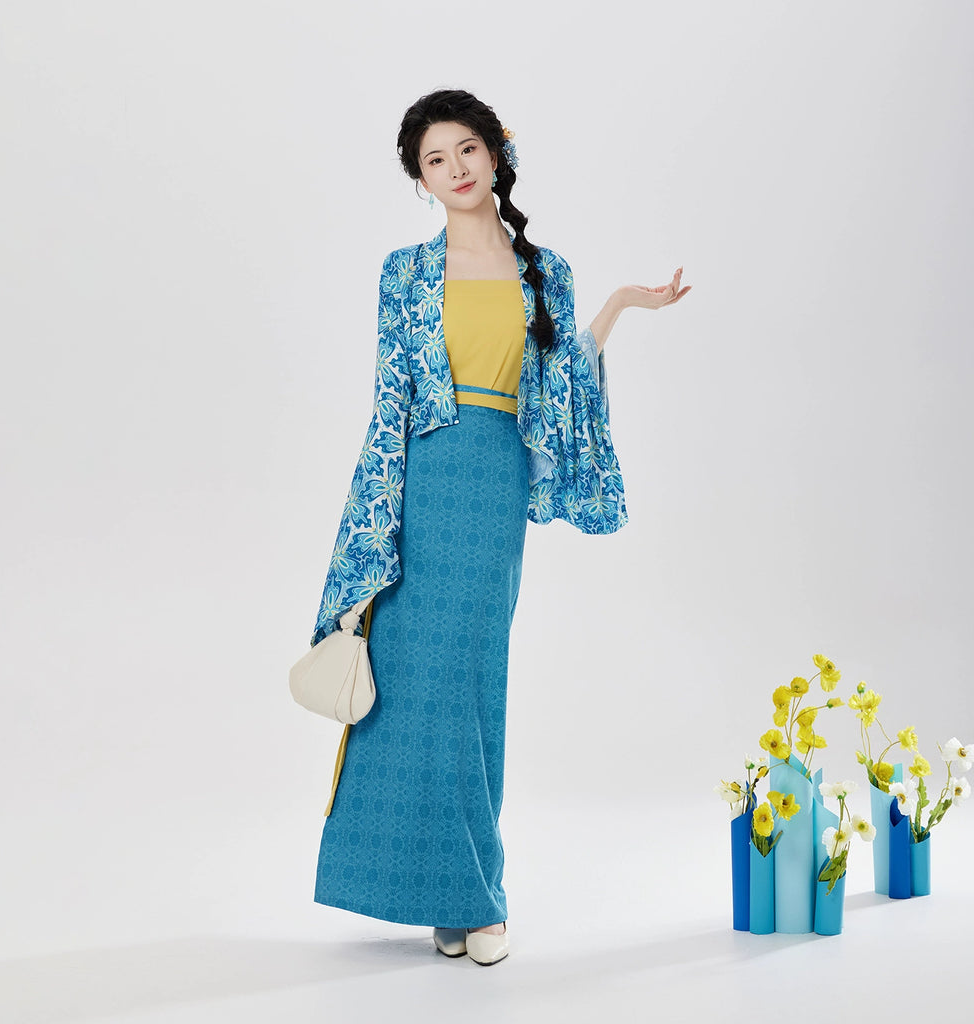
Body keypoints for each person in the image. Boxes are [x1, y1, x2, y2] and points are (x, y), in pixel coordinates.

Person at [308, 88, 690, 966]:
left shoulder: (543, 271)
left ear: (495, 152)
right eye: (435, 160)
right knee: (411, 688)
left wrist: (618, 307)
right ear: (421, 179)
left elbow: (558, 387)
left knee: (472, 686)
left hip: (490, 484)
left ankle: (480, 901)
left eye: (466, 150)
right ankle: (451, 897)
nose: (455, 169)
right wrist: (373, 528)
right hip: (419, 482)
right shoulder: (404, 273)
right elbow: (388, 404)